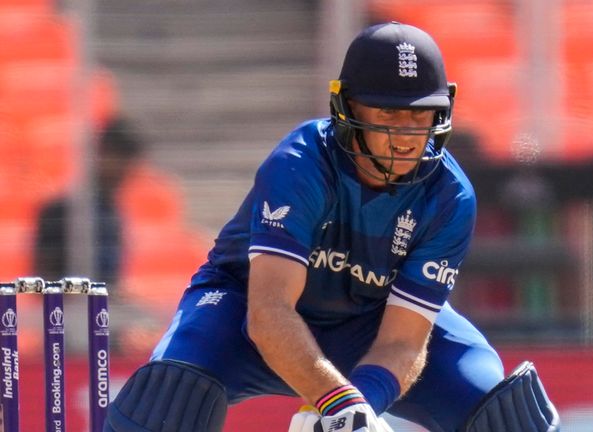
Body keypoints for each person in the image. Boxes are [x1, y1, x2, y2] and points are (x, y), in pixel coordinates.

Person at [103, 22, 559, 432]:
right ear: (347, 111)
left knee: (509, 418)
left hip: (371, 322)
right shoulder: (301, 164)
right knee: (165, 404)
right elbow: (269, 313)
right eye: (387, 115)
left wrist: (355, 411)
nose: (405, 137)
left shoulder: (449, 195)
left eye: (419, 118)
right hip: (243, 316)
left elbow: (402, 339)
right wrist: (336, 401)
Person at [34, 116, 144, 287]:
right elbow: (44, 282)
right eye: (117, 158)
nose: (125, 169)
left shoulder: (114, 213)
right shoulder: (59, 211)